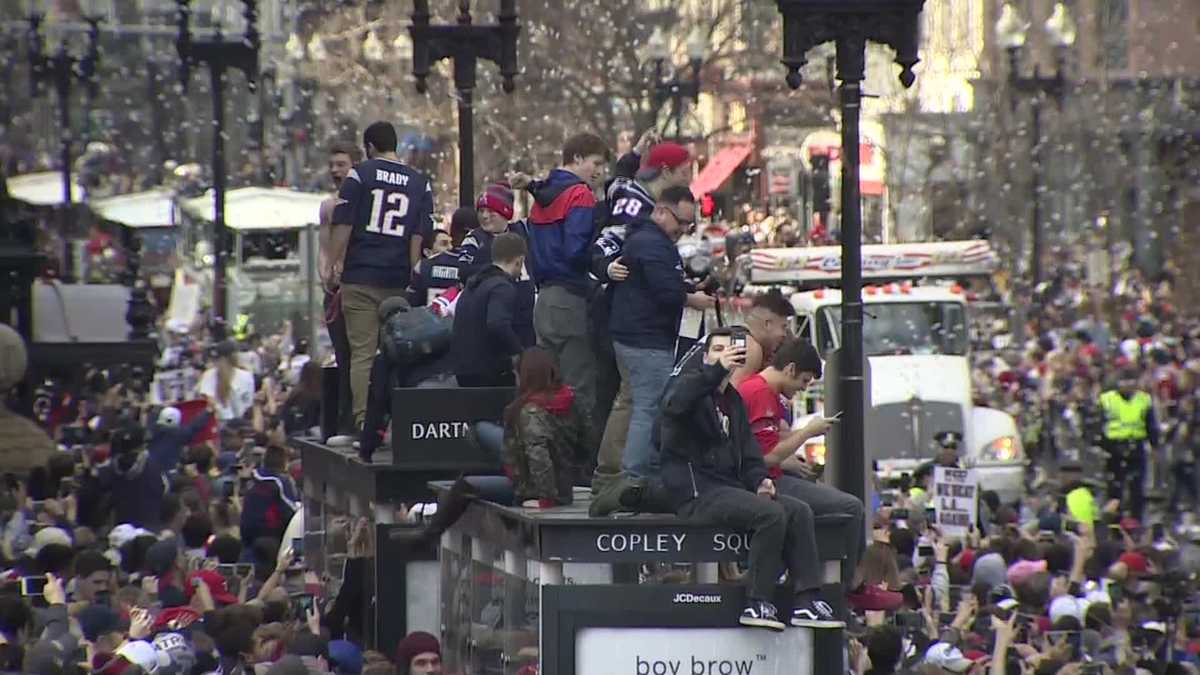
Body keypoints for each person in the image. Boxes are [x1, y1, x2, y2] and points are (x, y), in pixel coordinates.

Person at [659, 328, 843, 630]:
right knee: (771, 515)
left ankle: (806, 600)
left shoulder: (732, 401)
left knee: (798, 510)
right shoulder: (688, 391)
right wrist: (714, 371)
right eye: (717, 350)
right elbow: (674, 405)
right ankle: (757, 602)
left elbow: (748, 452)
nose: (724, 355)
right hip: (696, 491)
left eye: (729, 350)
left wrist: (760, 480)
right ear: (706, 357)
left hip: (729, 488)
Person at [592, 140, 700, 493]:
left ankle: (611, 472)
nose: (683, 230)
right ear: (663, 212)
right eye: (682, 223)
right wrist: (690, 296)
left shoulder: (645, 233)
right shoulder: (649, 237)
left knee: (631, 401)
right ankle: (633, 478)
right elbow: (666, 292)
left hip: (629, 332)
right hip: (644, 336)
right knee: (647, 406)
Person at [327, 121, 435, 431]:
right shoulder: (419, 183)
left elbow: (344, 223)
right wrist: (413, 269)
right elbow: (418, 232)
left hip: (360, 276)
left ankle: (363, 421)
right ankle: (399, 419)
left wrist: (333, 265)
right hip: (397, 279)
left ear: (369, 147)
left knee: (362, 354)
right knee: (399, 352)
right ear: (395, 145)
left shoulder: (361, 175)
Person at [735, 338, 867, 590]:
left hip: (771, 476)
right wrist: (808, 432)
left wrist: (790, 459)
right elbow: (767, 456)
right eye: (804, 381)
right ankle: (850, 586)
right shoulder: (760, 393)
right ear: (790, 369)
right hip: (764, 481)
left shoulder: (762, 391)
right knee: (852, 507)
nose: (803, 389)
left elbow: (761, 444)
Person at [522, 133, 610, 444]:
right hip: (570, 297)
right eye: (595, 163)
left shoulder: (541, 197)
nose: (599, 172)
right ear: (576, 159)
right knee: (578, 384)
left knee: (545, 385)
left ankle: (541, 448)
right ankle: (580, 459)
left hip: (543, 298)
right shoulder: (580, 195)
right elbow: (577, 250)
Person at [502, 347, 589, 508]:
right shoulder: (572, 399)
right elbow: (587, 442)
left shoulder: (529, 412)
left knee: (468, 485)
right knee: (483, 431)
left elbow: (539, 456)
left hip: (533, 490)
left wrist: (546, 499)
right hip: (564, 479)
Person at [319, 141, 362, 436]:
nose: (335, 171)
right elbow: (324, 246)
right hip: (336, 293)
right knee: (345, 358)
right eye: (332, 165)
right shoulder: (328, 206)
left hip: (361, 285)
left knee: (362, 358)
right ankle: (347, 423)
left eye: (341, 165)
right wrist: (327, 272)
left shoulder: (364, 203)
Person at [450, 233, 528, 388]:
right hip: (490, 372)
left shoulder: (473, 285)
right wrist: (520, 353)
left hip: (463, 369)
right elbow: (498, 324)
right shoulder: (502, 287)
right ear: (519, 261)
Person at [1098, 368, 1157, 520]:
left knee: (1136, 488)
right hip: (1113, 448)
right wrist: (1100, 446)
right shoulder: (1107, 399)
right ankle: (1113, 521)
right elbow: (1098, 425)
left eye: (1131, 381)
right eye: (1124, 381)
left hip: (1136, 446)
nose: (1128, 384)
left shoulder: (1144, 400)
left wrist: (1154, 445)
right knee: (1114, 487)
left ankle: (1136, 521)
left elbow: (1151, 425)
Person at [240, 446, 300, 556]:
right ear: (284, 462)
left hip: (246, 534)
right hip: (270, 535)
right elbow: (291, 510)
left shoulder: (252, 477)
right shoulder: (279, 482)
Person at [728, 290, 795, 388]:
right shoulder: (752, 348)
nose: (784, 334)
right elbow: (733, 396)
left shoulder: (732, 335)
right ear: (768, 324)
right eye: (783, 327)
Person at [458, 181, 516, 282]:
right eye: (481, 211)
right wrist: (497, 270)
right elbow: (463, 271)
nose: (484, 216)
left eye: (491, 211)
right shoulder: (474, 238)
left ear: (505, 213)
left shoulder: (520, 232)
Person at [197, 341, 256, 423]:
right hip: (220, 421)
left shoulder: (245, 376)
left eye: (218, 359)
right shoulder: (209, 375)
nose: (215, 363)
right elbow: (209, 399)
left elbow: (248, 402)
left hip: (242, 420)